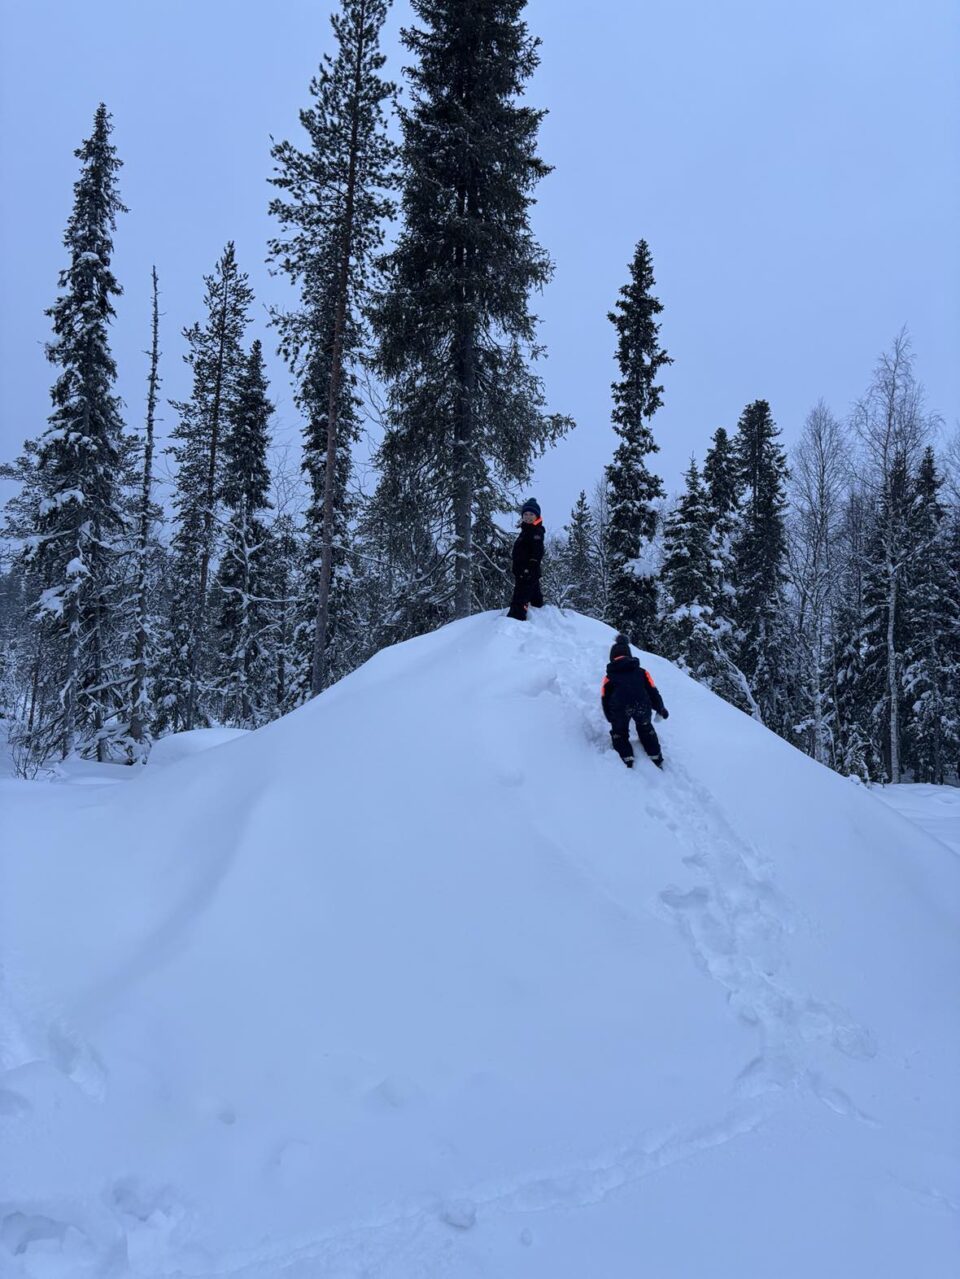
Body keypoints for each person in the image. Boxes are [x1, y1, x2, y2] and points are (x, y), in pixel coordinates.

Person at [601, 633, 669, 768]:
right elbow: (652, 691)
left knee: (619, 732)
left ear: (612, 657)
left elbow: (605, 697)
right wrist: (660, 707)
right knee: (645, 728)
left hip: (620, 707)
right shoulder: (642, 672)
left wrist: (610, 716)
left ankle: (627, 757)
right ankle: (655, 756)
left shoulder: (609, 676)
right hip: (642, 704)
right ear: (629, 655)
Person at [507, 498, 545, 620]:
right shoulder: (526, 530)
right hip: (522, 571)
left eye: (531, 514)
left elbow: (538, 551)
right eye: (526, 514)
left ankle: (515, 619)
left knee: (520, 597)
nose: (528, 517)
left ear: (537, 516)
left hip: (527, 571)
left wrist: (530, 567)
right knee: (534, 596)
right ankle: (539, 611)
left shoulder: (535, 531)